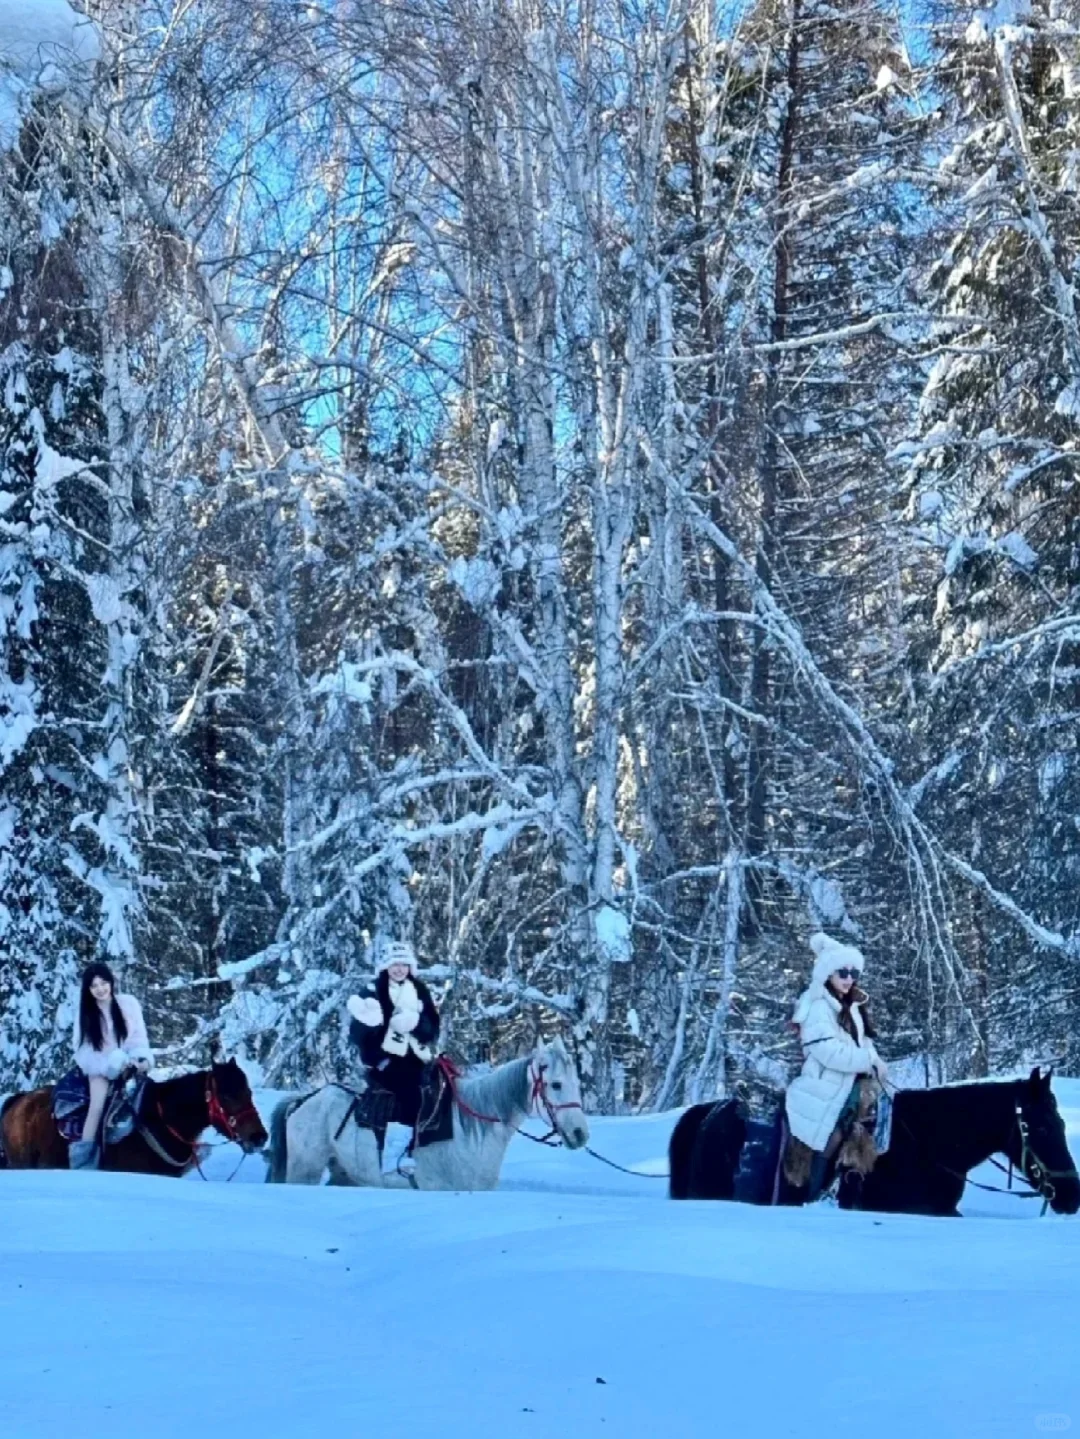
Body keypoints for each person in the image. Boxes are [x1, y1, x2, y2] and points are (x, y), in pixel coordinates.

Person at [783, 932, 887, 1199]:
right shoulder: (818, 1007)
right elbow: (827, 1052)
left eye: (854, 973)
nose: (849, 979)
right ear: (828, 974)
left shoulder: (851, 1006)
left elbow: (863, 1042)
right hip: (824, 1084)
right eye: (842, 972)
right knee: (833, 1134)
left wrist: (875, 1061)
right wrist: (866, 1061)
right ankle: (815, 1192)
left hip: (850, 1084)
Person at [346, 940, 440, 1128]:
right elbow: (357, 1034)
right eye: (394, 964)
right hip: (387, 1061)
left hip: (421, 1057)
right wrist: (373, 1028)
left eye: (404, 964)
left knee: (446, 1083)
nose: (399, 969)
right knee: (409, 1090)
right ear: (385, 966)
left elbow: (433, 1027)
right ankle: (405, 1139)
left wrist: (416, 1024)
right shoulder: (372, 992)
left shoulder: (419, 990)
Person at [69, 961, 154, 1169]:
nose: (100, 989)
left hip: (128, 1063)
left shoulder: (129, 1004)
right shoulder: (86, 1013)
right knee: (97, 1106)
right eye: (94, 986)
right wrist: (107, 1066)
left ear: (111, 982)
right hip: (100, 1069)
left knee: (150, 1097)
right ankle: (84, 1161)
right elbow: (83, 1050)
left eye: (103, 983)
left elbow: (138, 1038)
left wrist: (140, 1058)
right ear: (88, 990)